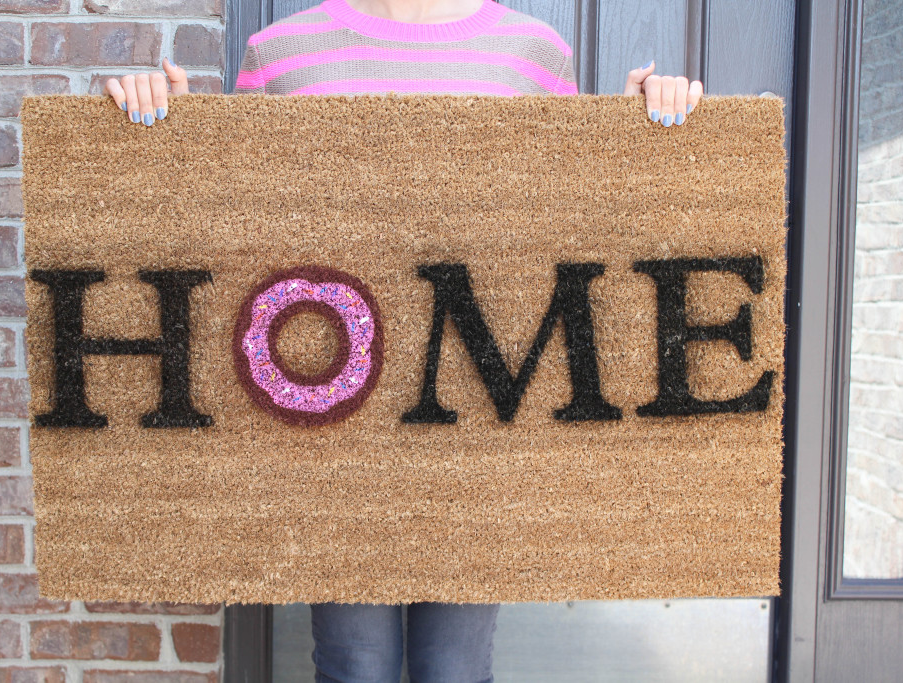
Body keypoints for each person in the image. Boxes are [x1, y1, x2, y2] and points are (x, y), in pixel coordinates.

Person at [103, 1, 703, 681]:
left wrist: (634, 133)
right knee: (358, 664)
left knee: (454, 666)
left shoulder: (533, 52)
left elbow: (568, 236)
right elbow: (240, 243)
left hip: (479, 419)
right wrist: (165, 143)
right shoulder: (280, 52)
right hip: (335, 422)